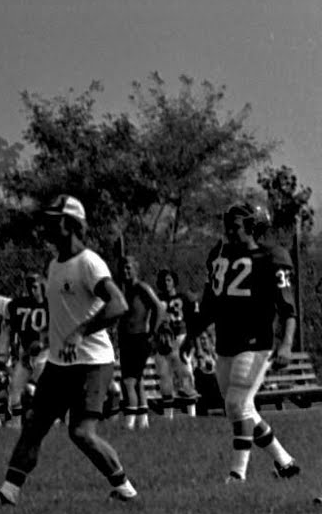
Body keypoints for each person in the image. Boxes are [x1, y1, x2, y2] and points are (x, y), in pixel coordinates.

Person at [0, 196, 139, 509]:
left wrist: (80, 332)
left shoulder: (89, 263)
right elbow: (65, 313)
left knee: (81, 433)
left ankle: (126, 489)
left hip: (91, 363)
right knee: (34, 425)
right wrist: (48, 338)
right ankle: (8, 493)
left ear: (72, 224)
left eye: (54, 219)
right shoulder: (55, 264)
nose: (47, 225)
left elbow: (118, 304)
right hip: (60, 363)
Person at [180, 202, 301, 484]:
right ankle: (285, 462)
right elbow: (210, 304)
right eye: (228, 225)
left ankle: (237, 474)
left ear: (253, 227)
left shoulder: (272, 256)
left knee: (237, 404)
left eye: (236, 226)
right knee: (241, 409)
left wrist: (286, 344)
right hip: (226, 342)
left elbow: (288, 308)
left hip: (256, 342)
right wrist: (193, 336)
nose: (229, 232)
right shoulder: (220, 254)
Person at [115, 257, 165, 429]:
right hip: (125, 339)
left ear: (136, 269)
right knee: (137, 380)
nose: (125, 272)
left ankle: (129, 420)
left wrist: (153, 332)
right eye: (122, 268)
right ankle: (143, 421)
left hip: (140, 338)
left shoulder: (141, 288)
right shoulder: (122, 290)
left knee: (128, 381)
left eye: (128, 268)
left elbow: (159, 307)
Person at [153, 269, 200, 416]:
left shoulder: (184, 298)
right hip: (163, 342)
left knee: (186, 376)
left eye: (168, 280)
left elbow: (194, 319)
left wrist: (192, 341)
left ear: (174, 281)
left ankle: (192, 414)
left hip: (180, 339)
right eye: (163, 280)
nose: (166, 283)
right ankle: (168, 417)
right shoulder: (156, 299)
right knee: (165, 378)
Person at [5, 273, 49, 428]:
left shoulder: (51, 305)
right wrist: (15, 351)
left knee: (41, 390)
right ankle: (16, 422)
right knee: (15, 388)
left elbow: (57, 332)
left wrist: (42, 344)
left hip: (45, 355)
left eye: (35, 286)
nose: (32, 290)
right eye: (29, 287)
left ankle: (48, 421)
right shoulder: (17, 305)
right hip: (26, 355)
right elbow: (13, 332)